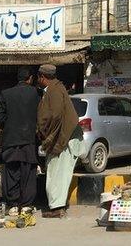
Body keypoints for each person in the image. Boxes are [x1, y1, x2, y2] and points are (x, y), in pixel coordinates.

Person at [37, 63, 84, 218]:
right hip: (65, 136)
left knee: (57, 173)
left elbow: (55, 115)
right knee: (57, 173)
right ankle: (57, 205)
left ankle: (57, 208)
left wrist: (47, 134)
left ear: (42, 77)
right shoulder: (56, 88)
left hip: (63, 138)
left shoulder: (54, 90)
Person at [0, 67, 40, 215]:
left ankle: (13, 205)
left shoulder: (6, 94)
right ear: (30, 79)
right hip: (29, 140)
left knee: (11, 173)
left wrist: (9, 126)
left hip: (10, 141)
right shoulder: (36, 93)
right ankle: (26, 206)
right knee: (28, 172)